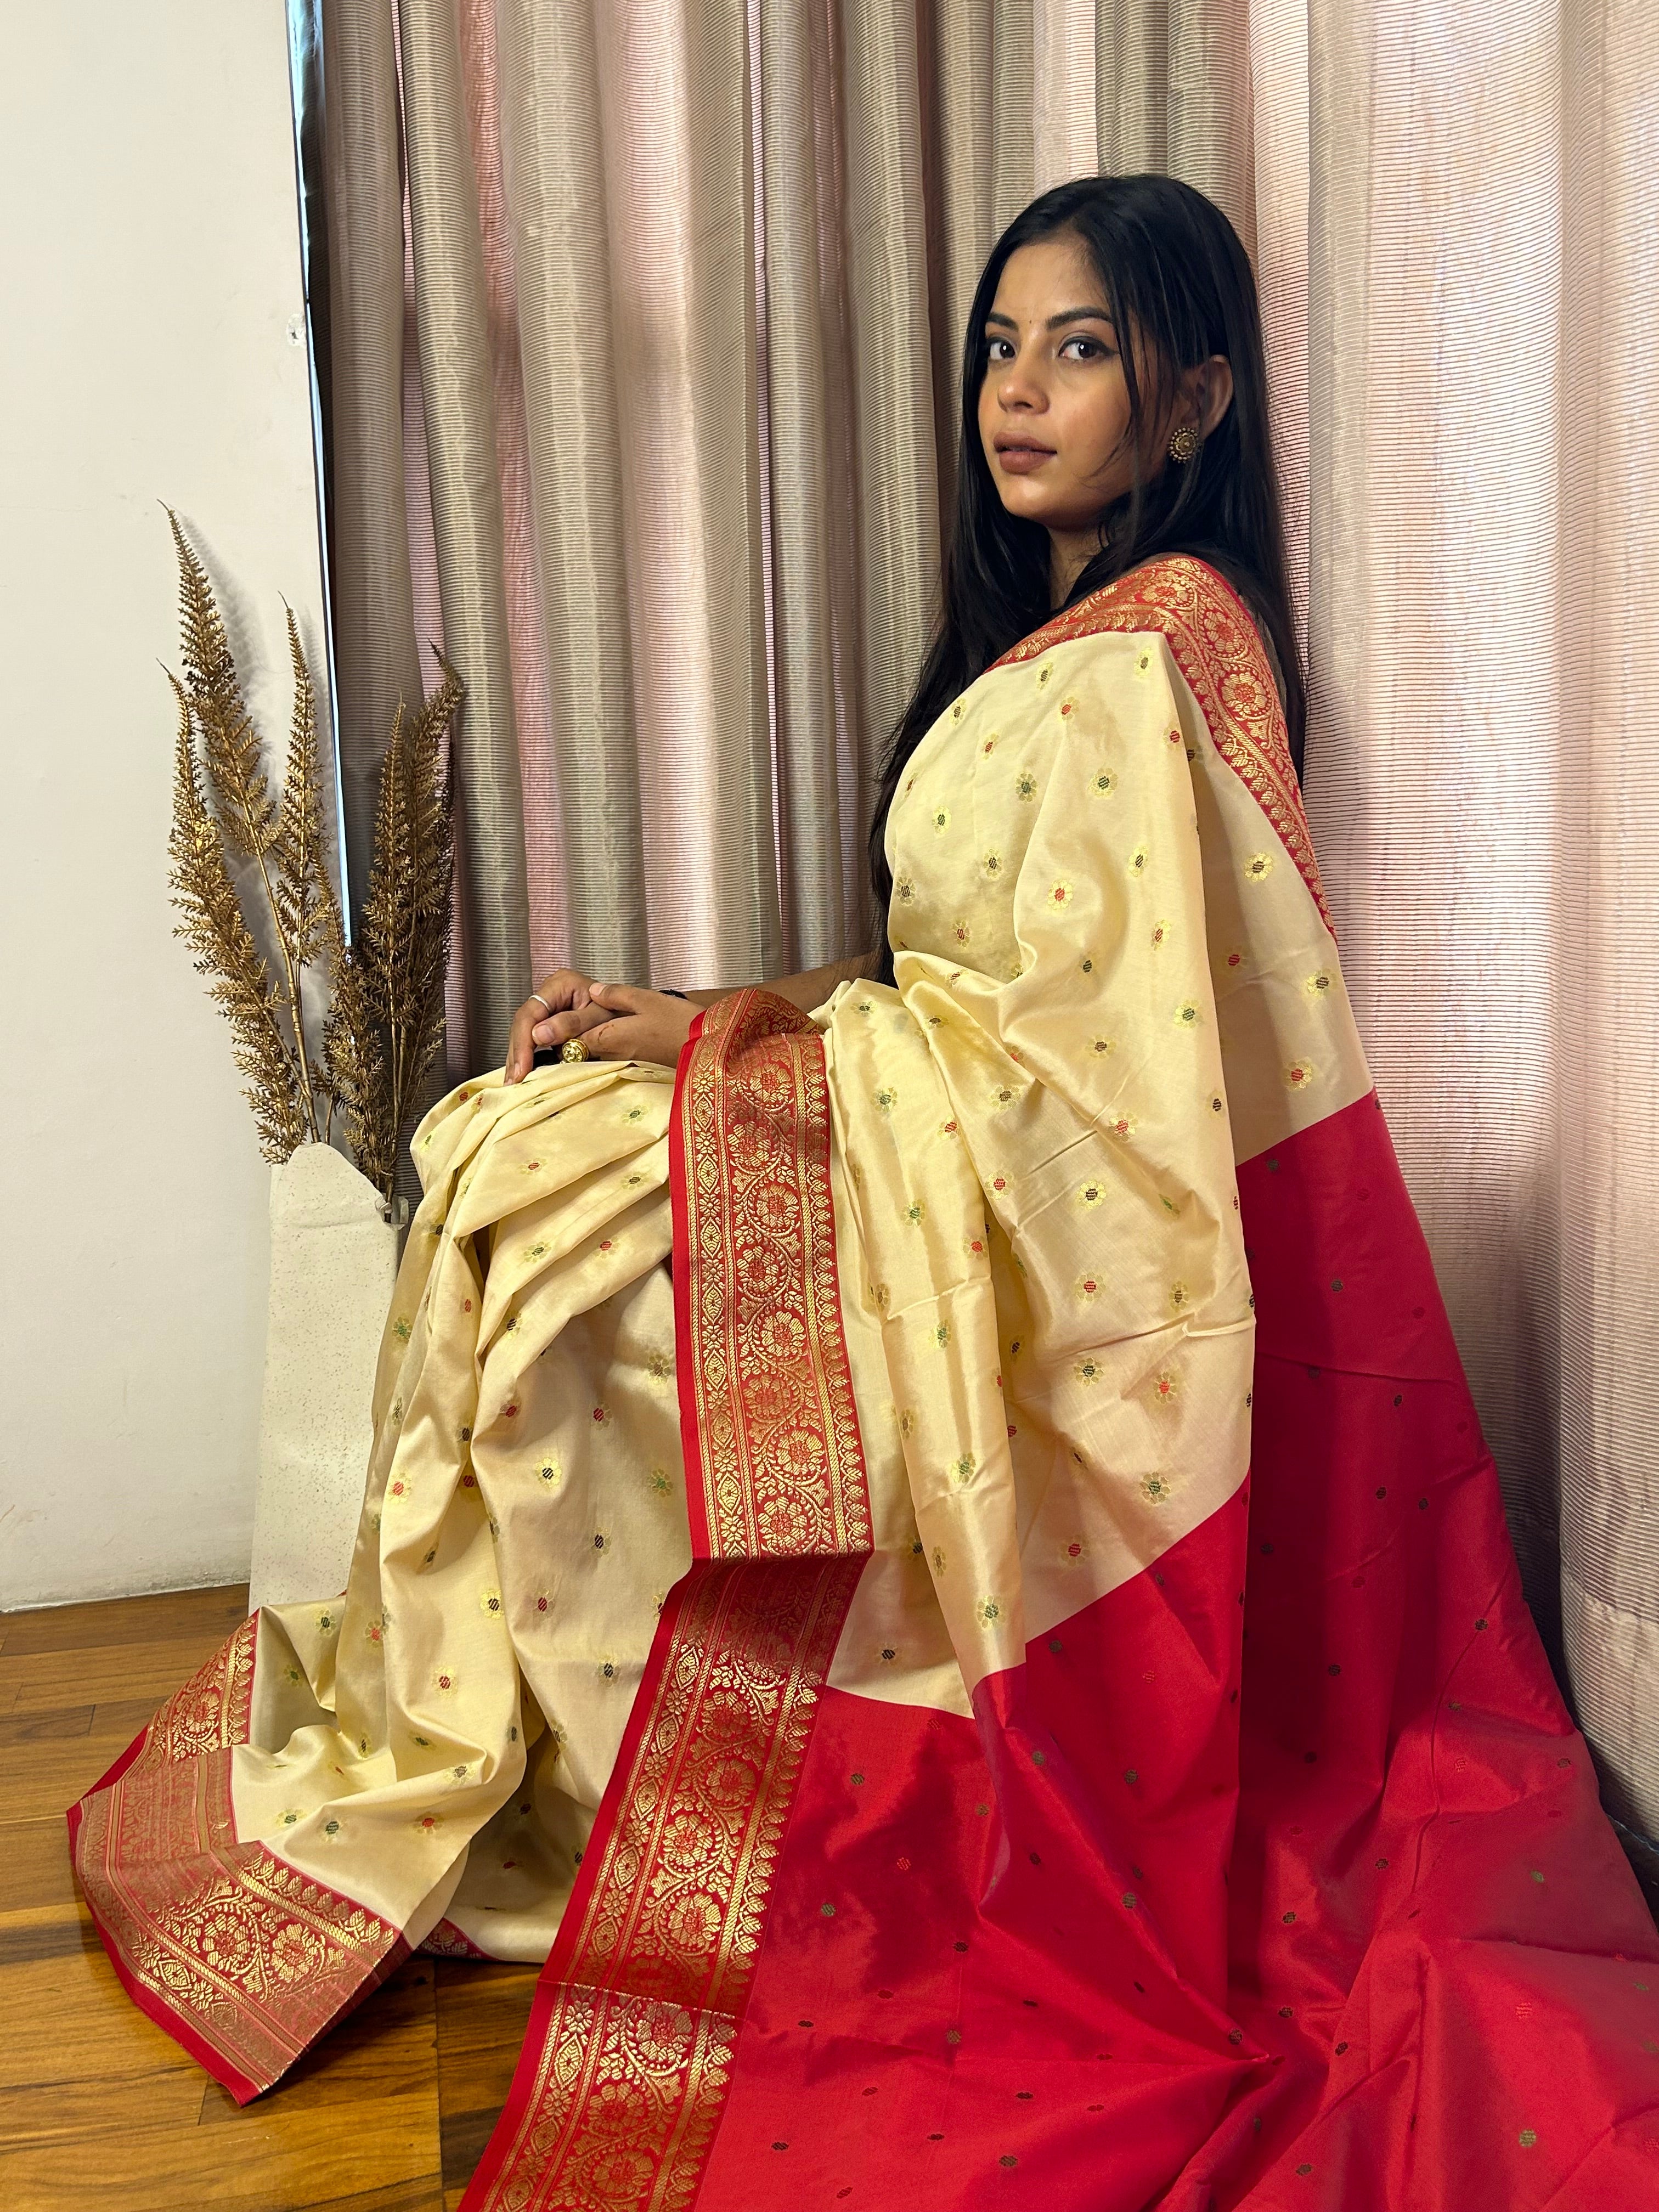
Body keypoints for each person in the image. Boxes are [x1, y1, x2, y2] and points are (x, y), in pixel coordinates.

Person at [72, 176, 1659, 2209]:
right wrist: (714, 1019)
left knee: (514, 1191)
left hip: (1024, 1257)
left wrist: (751, 1076)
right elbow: (963, 996)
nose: (1018, 392)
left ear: (1197, 405)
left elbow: (1097, 1106)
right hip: (928, 1170)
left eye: (1079, 347)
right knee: (508, 1142)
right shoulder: (1074, 644)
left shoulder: (1146, 657)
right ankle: (502, 1740)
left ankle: (546, 1770)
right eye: (1000, 346)